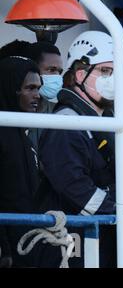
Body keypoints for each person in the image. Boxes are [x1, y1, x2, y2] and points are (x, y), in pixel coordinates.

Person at [35, 31, 117, 267]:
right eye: (104, 71)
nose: (111, 79)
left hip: (97, 239)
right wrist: (120, 211)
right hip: (70, 243)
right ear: (81, 74)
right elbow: (72, 184)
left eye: (113, 73)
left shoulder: (104, 122)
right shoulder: (67, 123)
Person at [0, 56, 42, 267]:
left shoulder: (21, 133)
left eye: (38, 88)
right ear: (10, 87)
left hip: (28, 242)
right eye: (30, 88)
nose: (37, 95)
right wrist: (4, 248)